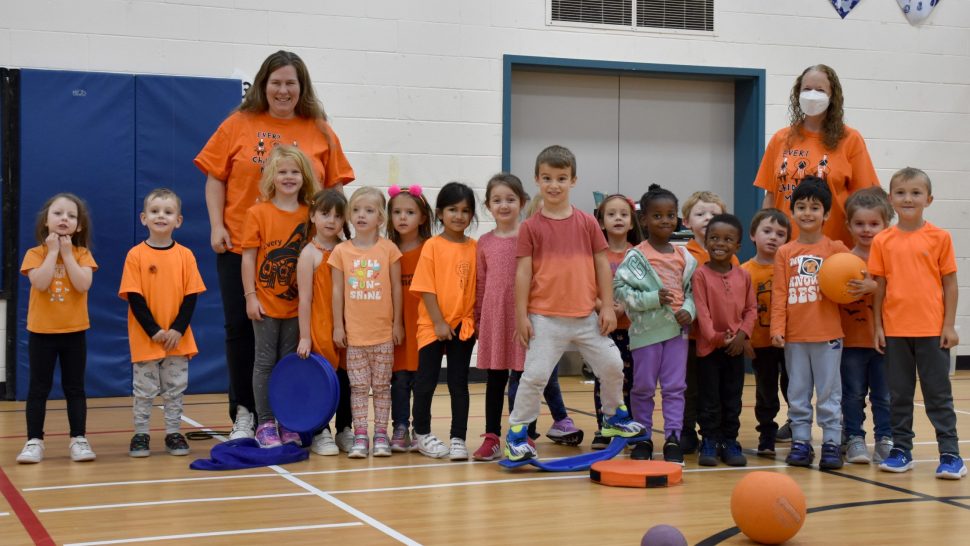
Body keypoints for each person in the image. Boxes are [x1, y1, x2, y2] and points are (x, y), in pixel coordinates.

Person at [194, 50, 355, 438]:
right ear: (263, 85)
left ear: (302, 88)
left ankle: (301, 415)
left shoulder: (320, 129)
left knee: (306, 332)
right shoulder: (238, 123)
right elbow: (215, 177)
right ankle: (246, 412)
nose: (283, 91)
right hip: (243, 247)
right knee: (242, 330)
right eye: (276, 83)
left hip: (307, 252)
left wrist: (335, 237)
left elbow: (334, 187)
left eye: (291, 84)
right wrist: (216, 225)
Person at [506, 145, 644, 462]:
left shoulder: (587, 223)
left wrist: (606, 306)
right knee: (535, 376)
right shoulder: (530, 227)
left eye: (561, 178)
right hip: (544, 318)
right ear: (537, 180)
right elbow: (523, 273)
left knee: (612, 365)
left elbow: (602, 266)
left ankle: (614, 417)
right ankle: (517, 435)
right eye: (547, 178)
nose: (554, 185)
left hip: (585, 317)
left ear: (573, 180)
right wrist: (521, 316)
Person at [472, 174, 582, 461]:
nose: (504, 205)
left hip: (526, 318)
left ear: (521, 202)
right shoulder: (484, 242)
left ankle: (524, 436)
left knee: (526, 379)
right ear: (488, 205)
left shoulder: (530, 235)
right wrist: (479, 319)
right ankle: (492, 437)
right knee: (495, 379)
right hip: (496, 319)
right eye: (497, 200)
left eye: (510, 199)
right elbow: (481, 283)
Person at [871, 167, 964, 479]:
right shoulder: (883, 240)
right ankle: (901, 450)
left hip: (932, 332)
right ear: (890, 199)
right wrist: (878, 326)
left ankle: (950, 454)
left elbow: (950, 284)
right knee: (899, 395)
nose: (908, 198)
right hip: (895, 332)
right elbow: (879, 288)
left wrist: (948, 325)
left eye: (915, 193)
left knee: (938, 395)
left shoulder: (940, 237)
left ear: (929, 199)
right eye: (901, 193)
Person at [120, 188, 206, 458]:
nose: (161, 216)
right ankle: (141, 433)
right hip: (147, 337)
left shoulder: (185, 255)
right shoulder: (135, 255)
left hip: (177, 339)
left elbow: (191, 296)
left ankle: (173, 433)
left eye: (168, 212)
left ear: (178, 221)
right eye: (155, 211)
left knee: (175, 389)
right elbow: (134, 297)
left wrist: (177, 329)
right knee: (144, 390)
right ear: (143, 218)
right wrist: (154, 330)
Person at [770, 176, 849, 470]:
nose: (807, 213)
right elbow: (779, 294)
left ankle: (831, 443)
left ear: (826, 214)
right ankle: (801, 442)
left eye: (814, 208)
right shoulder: (785, 252)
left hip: (828, 336)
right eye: (801, 206)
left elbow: (855, 278)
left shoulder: (836, 249)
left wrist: (865, 284)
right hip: (795, 337)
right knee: (797, 393)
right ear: (792, 212)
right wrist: (777, 328)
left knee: (829, 394)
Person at [754, 64, 879, 247]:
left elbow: (866, 199)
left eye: (820, 90)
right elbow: (770, 197)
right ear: (798, 93)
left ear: (832, 96)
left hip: (835, 247)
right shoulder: (780, 138)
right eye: (807, 89)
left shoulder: (850, 139)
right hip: (785, 247)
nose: (812, 95)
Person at [614, 185, 695, 464]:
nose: (665, 220)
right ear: (644, 220)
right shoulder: (636, 256)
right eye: (657, 215)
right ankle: (642, 438)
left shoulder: (685, 257)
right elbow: (620, 291)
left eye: (670, 215)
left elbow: (692, 293)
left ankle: (673, 438)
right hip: (645, 333)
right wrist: (652, 298)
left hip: (676, 333)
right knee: (643, 387)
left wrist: (688, 311)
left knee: (675, 387)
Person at [241, 145, 316, 448]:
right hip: (266, 305)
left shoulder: (310, 214)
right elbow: (248, 258)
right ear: (271, 176)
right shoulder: (257, 213)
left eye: (294, 172)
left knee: (289, 364)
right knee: (264, 362)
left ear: (304, 176)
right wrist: (250, 296)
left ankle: (287, 420)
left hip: (299, 307)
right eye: (282, 171)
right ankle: (265, 422)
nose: (288, 177)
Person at [17, 194, 98, 464]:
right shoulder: (35, 254)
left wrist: (67, 254)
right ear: (46, 220)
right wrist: (53, 252)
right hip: (42, 333)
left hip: (74, 332)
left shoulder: (82, 254)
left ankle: (78, 438)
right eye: (58, 213)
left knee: (74, 388)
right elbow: (40, 283)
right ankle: (34, 441)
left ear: (79, 226)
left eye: (71, 216)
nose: (64, 218)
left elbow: (83, 284)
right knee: (38, 388)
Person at [330, 187, 403, 458]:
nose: (361, 215)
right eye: (356, 210)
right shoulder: (341, 251)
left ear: (380, 218)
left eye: (369, 211)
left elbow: (396, 288)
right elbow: (337, 291)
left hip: (383, 334)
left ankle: (381, 433)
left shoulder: (389, 249)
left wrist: (397, 324)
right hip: (355, 336)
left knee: (382, 388)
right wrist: (338, 326)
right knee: (359, 388)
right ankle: (360, 434)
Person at [410, 182, 478, 461]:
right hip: (433, 325)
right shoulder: (432, 246)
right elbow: (426, 287)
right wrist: (438, 322)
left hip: (464, 325)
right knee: (425, 382)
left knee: (458, 384)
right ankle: (421, 433)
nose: (459, 216)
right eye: (452, 209)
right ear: (439, 213)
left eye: (465, 210)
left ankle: (458, 437)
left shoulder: (475, 248)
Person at [692, 214, 757, 467]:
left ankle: (729, 441)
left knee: (732, 397)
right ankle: (709, 440)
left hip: (735, 349)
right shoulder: (700, 275)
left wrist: (742, 335)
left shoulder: (744, 276)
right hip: (709, 350)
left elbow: (751, 309)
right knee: (709, 399)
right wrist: (717, 338)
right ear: (706, 242)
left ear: (738, 246)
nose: (720, 243)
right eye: (714, 238)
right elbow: (702, 312)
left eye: (728, 239)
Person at [295, 188, 353, 456]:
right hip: (320, 326)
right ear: (313, 216)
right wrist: (305, 336)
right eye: (325, 214)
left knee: (347, 379)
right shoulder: (309, 254)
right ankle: (321, 431)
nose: (331, 220)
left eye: (338, 216)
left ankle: (345, 429)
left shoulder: (348, 250)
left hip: (347, 325)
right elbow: (304, 300)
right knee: (322, 381)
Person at [839, 187, 894, 464]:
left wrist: (875, 287)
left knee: (884, 395)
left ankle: (885, 438)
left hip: (885, 340)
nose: (867, 229)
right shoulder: (841, 262)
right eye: (859, 223)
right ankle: (854, 438)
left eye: (874, 224)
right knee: (852, 395)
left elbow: (905, 293)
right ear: (849, 225)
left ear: (886, 225)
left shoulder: (892, 261)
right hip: (851, 341)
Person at [679, 190, 736, 454]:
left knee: (717, 389)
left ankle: (715, 434)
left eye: (714, 213)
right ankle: (687, 430)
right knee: (689, 387)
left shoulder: (731, 257)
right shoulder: (683, 255)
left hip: (720, 337)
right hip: (691, 336)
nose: (707, 218)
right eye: (700, 213)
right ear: (686, 221)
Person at [591, 193, 641, 449]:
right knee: (605, 378)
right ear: (601, 222)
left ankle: (627, 424)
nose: (618, 218)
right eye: (611, 214)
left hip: (634, 330)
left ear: (632, 222)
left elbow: (645, 289)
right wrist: (607, 308)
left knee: (630, 380)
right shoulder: (596, 255)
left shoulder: (639, 255)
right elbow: (588, 290)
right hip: (604, 329)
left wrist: (626, 307)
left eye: (624, 214)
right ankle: (604, 426)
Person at [386, 184, 434, 452]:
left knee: (422, 380)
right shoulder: (386, 250)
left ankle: (421, 428)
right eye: (397, 212)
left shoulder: (430, 248)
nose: (403, 217)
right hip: (397, 327)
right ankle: (400, 426)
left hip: (423, 326)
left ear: (423, 217)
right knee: (400, 379)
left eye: (410, 212)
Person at [741, 209, 792, 456]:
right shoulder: (744, 272)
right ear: (753, 234)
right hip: (760, 344)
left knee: (793, 387)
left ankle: (798, 428)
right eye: (767, 231)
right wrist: (745, 339)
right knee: (766, 391)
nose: (773, 237)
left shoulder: (790, 269)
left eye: (780, 234)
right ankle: (767, 435)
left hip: (790, 343)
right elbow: (739, 310)